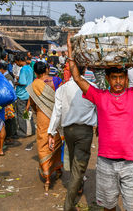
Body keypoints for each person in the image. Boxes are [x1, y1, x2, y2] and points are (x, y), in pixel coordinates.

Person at [67, 37, 133, 211]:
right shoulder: (100, 96)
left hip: (132, 162)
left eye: (121, 77)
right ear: (108, 78)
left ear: (127, 79)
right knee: (108, 206)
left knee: (132, 208)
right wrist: (70, 52)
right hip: (106, 162)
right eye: (114, 78)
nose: (118, 82)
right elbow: (76, 78)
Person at [48, 66, 97, 211]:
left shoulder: (62, 89)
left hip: (69, 131)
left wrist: (51, 132)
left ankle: (79, 185)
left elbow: (56, 112)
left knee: (75, 161)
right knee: (79, 165)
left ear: (69, 71)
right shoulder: (92, 87)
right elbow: (98, 109)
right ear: (84, 70)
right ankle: (68, 205)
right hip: (84, 132)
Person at [26, 62, 63, 192]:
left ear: (35, 73)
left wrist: (39, 111)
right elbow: (62, 98)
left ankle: (47, 178)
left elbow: (32, 104)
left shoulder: (33, 86)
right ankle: (58, 169)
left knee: (43, 144)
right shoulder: (57, 80)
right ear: (47, 69)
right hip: (56, 117)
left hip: (42, 118)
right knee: (57, 143)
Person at [0, 62, 17, 144]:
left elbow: (10, 90)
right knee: (6, 121)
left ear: (1, 69)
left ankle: (8, 137)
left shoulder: (5, 77)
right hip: (7, 102)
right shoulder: (6, 76)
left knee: (7, 121)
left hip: (7, 103)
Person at [15, 54, 34, 137]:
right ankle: (31, 129)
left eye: (16, 62)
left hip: (22, 95)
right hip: (28, 94)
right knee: (28, 113)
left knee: (21, 114)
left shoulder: (23, 69)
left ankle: (24, 131)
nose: (16, 64)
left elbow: (23, 82)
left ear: (19, 61)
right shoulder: (29, 68)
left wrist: (16, 82)